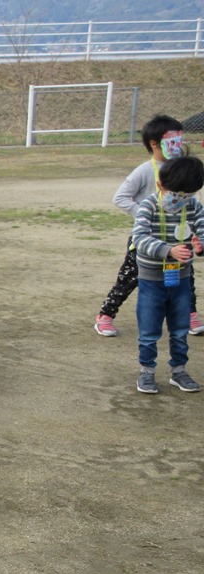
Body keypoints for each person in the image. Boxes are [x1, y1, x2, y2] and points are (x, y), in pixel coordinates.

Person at [96, 115, 195, 336]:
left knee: (185, 276)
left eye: (180, 138)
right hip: (146, 239)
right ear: (153, 143)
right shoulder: (144, 170)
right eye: (172, 139)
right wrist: (144, 216)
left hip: (176, 238)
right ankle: (106, 315)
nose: (178, 144)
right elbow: (120, 197)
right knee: (130, 277)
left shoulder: (181, 167)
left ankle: (190, 315)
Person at [132, 156, 204, 394]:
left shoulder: (193, 206)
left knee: (181, 328)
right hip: (151, 279)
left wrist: (200, 245)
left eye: (188, 195)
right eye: (177, 194)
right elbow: (139, 239)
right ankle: (147, 372)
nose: (181, 200)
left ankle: (179, 371)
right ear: (161, 185)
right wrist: (168, 250)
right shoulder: (149, 205)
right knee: (149, 329)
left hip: (181, 278)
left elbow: (202, 232)